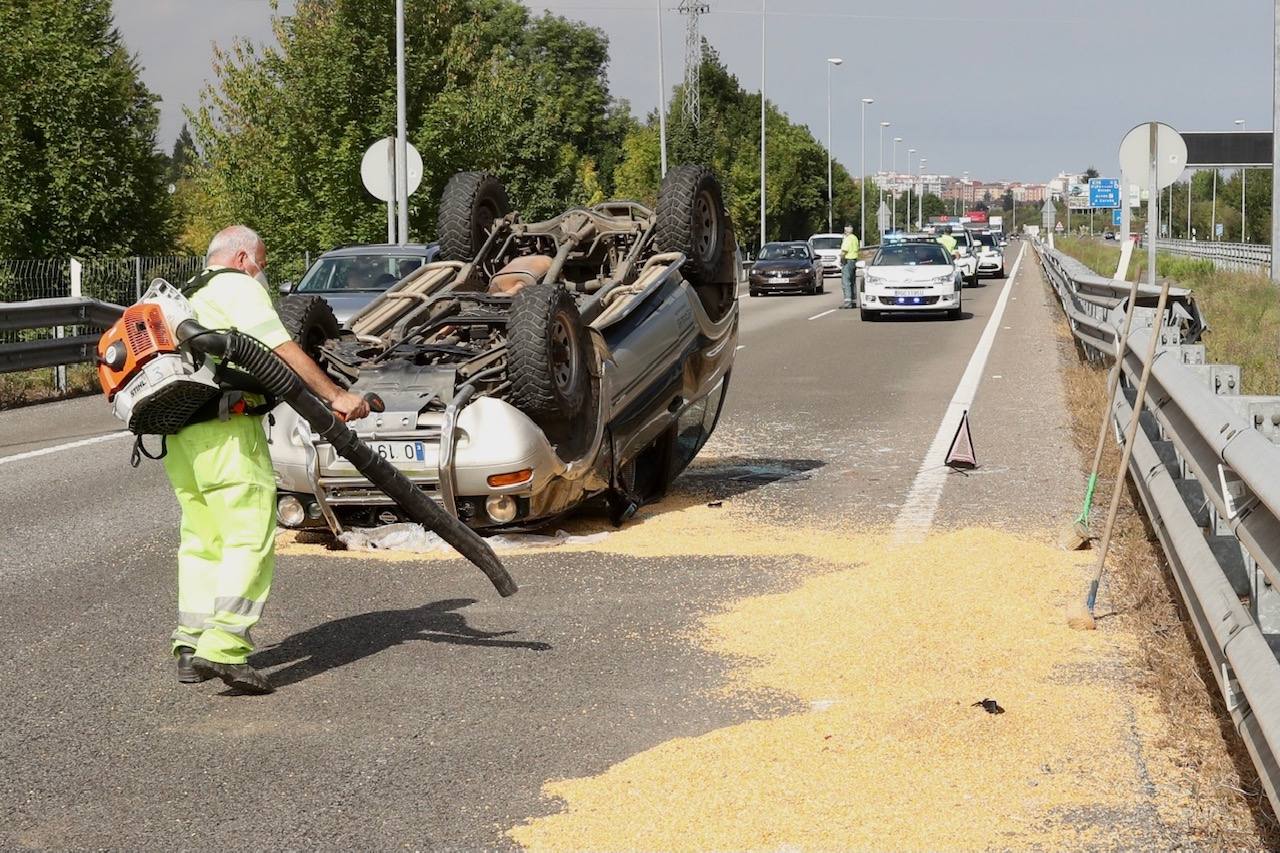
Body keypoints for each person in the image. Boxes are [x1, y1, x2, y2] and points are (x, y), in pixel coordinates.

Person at [165, 225, 370, 694]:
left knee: (201, 541)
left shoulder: (186, 297)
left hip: (180, 435)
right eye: (261, 261)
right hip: (227, 434)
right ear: (241, 259)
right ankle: (225, 648)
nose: (262, 271)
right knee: (248, 537)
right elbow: (280, 350)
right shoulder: (236, 288)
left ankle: (191, 645)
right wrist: (335, 395)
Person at [838, 225, 861, 309]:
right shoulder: (855, 238)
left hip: (847, 261)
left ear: (846, 231)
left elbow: (844, 251)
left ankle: (847, 302)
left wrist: (841, 259)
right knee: (852, 282)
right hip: (854, 261)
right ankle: (854, 301)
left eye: (845, 231)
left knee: (846, 282)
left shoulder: (847, 239)